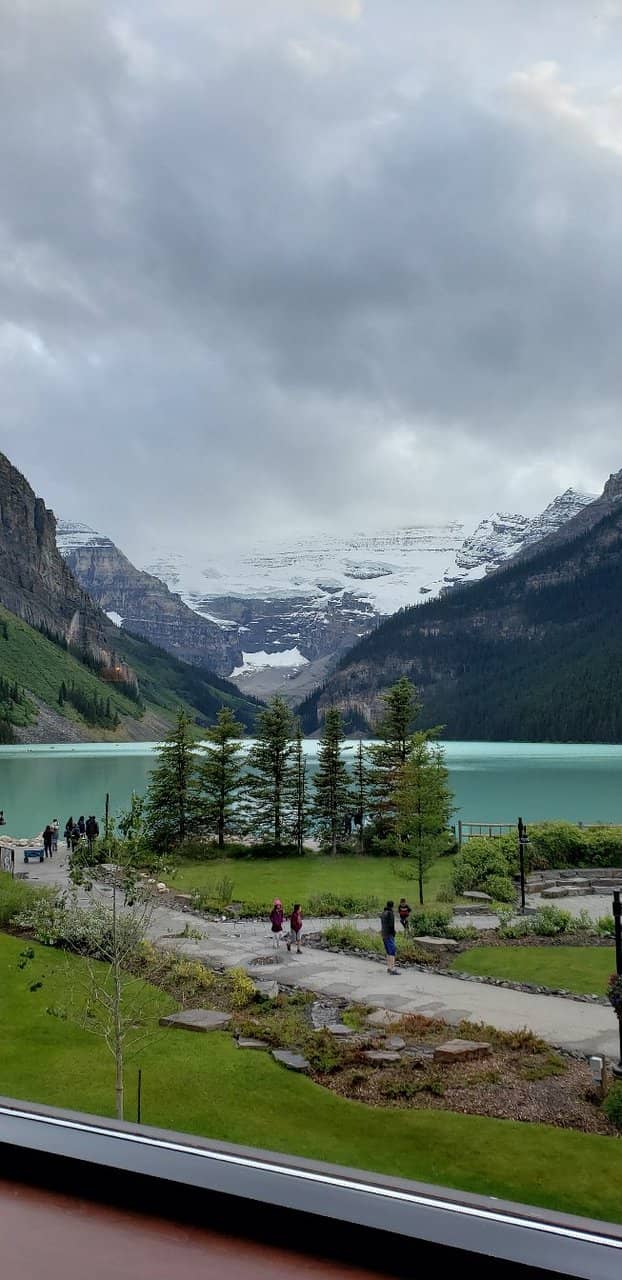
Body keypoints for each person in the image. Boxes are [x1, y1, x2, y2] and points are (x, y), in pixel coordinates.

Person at [380, 899, 399, 975]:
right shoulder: (390, 913)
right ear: (392, 906)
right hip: (389, 934)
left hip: (384, 934)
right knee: (392, 951)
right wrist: (393, 933)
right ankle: (392, 968)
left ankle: (389, 967)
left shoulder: (383, 913)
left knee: (388, 951)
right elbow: (391, 925)